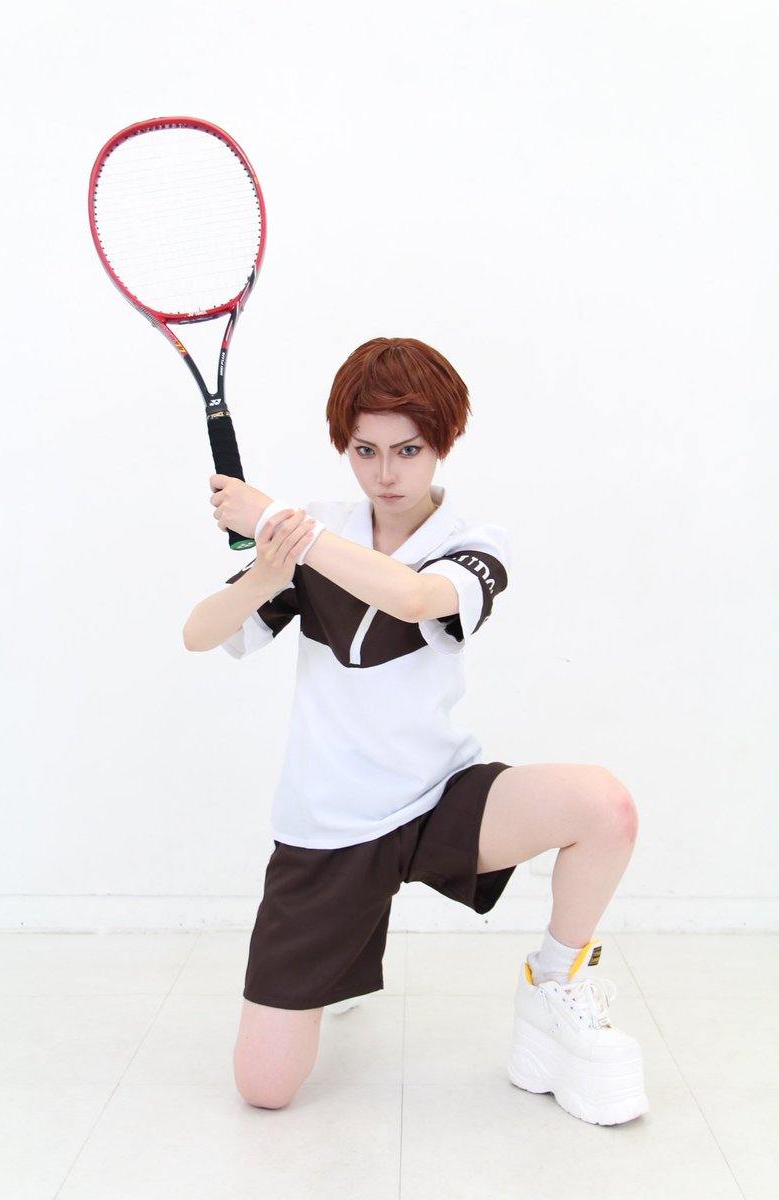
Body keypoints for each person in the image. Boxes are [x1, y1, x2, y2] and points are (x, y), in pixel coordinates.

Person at [183, 337, 648, 1126]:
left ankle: (553, 986)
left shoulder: (472, 541)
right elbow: (200, 635)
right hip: (328, 827)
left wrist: (277, 522)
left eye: (408, 450)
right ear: (345, 445)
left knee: (605, 807)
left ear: (442, 444)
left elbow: (414, 599)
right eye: (365, 450)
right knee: (264, 1088)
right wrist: (265, 569)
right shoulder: (314, 534)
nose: (386, 474)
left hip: (436, 800)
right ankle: (330, 968)